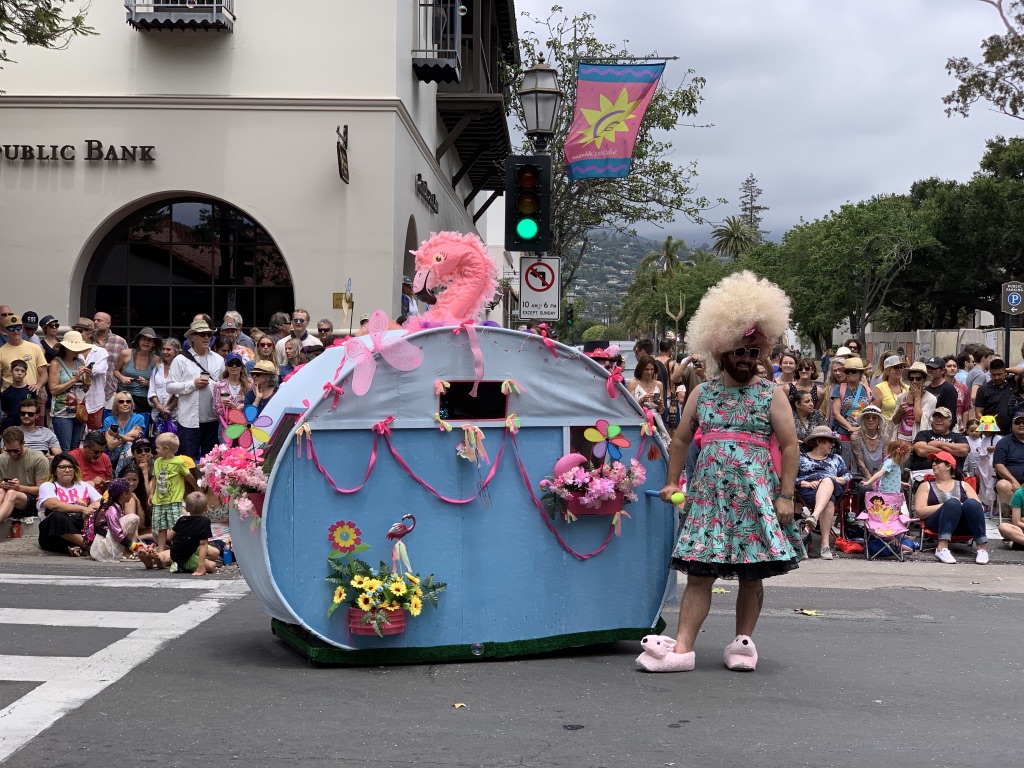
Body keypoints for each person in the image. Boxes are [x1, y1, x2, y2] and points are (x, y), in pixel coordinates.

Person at [649, 271, 799, 674]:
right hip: (708, 500)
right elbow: (680, 440)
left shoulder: (771, 394)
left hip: (756, 499)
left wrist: (786, 496)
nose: (748, 359)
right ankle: (683, 648)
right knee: (699, 574)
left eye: (754, 352)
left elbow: (790, 445)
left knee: (752, 575)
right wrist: (671, 481)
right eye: (740, 351)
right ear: (720, 352)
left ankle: (743, 643)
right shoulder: (703, 393)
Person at [914, 450, 988, 564]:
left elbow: (980, 509)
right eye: (933, 461)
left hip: (963, 526)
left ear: (948, 466)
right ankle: (942, 547)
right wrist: (945, 505)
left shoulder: (963, 485)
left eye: (938, 461)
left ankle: (982, 548)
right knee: (952, 503)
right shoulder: (925, 485)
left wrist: (962, 505)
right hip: (936, 525)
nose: (933, 464)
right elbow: (919, 511)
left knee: (972, 503)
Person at [166, 321, 225, 460]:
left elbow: (223, 385)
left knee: (211, 463)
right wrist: (193, 384)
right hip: (189, 421)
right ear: (192, 337)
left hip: (213, 420)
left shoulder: (219, 359)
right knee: (187, 461)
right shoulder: (180, 360)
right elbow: (170, 387)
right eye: (202, 334)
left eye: (209, 334)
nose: (207, 337)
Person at [795, 426, 850, 560]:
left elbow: (847, 476)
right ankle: (825, 545)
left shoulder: (836, 458)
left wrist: (832, 479)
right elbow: (791, 477)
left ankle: (814, 517)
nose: (833, 445)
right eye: (830, 441)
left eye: (833, 442)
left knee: (827, 480)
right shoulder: (801, 458)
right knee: (829, 501)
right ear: (819, 441)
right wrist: (805, 483)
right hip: (809, 490)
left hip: (832, 487)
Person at [139, 491, 221, 575]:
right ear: (206, 508)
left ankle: (159, 558)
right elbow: (203, 544)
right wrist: (201, 566)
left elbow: (169, 537)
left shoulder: (182, 520)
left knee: (215, 552)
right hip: (184, 557)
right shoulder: (205, 521)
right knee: (212, 565)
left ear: (186, 508)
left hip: (180, 551)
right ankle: (181, 564)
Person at [36, 452, 101, 557]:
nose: (67, 470)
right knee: (56, 515)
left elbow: (101, 501)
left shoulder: (83, 485)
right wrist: (82, 509)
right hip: (53, 534)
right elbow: (53, 505)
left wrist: (91, 507)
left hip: (79, 526)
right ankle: (88, 546)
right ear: (54, 471)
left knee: (97, 513)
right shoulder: (48, 486)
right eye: (62, 467)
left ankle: (76, 546)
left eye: (70, 467)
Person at [148, 431, 196, 552]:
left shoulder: (179, 462)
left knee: (177, 526)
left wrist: (197, 488)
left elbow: (188, 476)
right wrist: (151, 493)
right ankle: (161, 551)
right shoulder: (157, 462)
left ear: (166, 449)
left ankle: (178, 550)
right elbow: (155, 478)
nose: (156, 450)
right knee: (161, 527)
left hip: (174, 500)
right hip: (159, 501)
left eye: (157, 447)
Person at [46, 329, 93, 450]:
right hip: (62, 413)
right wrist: (74, 379)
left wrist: (88, 377)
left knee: (75, 448)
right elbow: (53, 390)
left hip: (79, 410)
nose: (77, 351)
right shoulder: (56, 363)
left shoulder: (80, 362)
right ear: (66, 348)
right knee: (65, 449)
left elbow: (85, 388)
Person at [0, 426, 49, 526]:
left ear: (23, 443)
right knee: (1, 491)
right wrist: (3, 485)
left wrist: (19, 488)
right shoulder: (1, 459)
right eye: (8, 451)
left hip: (32, 501)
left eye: (16, 450)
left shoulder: (38, 459)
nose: (12, 454)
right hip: (7, 499)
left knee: (12, 493)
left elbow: (42, 490)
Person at [88, 477, 144, 563]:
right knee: (133, 518)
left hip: (109, 540)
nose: (132, 494)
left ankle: (126, 550)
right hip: (103, 547)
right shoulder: (112, 509)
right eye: (130, 491)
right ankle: (126, 552)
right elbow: (117, 533)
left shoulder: (117, 506)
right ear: (124, 494)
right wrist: (132, 546)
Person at [830, 356, 873, 467]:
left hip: (863, 433)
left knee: (862, 463)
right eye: (847, 371)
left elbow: (872, 413)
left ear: (860, 373)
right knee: (844, 463)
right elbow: (836, 413)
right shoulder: (839, 389)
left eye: (853, 371)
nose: (849, 374)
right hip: (843, 432)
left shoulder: (867, 390)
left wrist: (861, 428)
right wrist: (850, 428)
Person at [908, 406, 969, 484]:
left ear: (950, 421)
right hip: (924, 474)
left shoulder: (958, 436)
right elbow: (921, 450)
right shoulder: (923, 434)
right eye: (936, 417)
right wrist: (951, 450)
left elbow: (964, 450)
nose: (938, 420)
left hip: (952, 475)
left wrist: (938, 443)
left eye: (942, 417)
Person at [114, 327, 158, 421]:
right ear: (138, 340)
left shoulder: (156, 360)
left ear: (153, 343)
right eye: (144, 339)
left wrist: (147, 383)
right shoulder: (125, 353)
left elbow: (159, 382)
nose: (146, 342)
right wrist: (122, 378)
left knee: (139, 425)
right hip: (124, 395)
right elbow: (115, 371)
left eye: (149, 340)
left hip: (143, 399)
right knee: (122, 423)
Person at [91, 311, 128, 417]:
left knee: (110, 423)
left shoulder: (120, 342)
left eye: (99, 320)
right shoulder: (88, 341)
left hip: (111, 392)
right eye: (94, 320)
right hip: (90, 392)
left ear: (108, 324)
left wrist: (120, 389)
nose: (95, 322)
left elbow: (125, 367)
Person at [1, 314, 48, 394]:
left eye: (18, 328)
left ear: (22, 328)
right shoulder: (1, 351)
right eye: (11, 328)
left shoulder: (35, 348)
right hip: (9, 395)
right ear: (6, 330)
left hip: (30, 393)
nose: (16, 331)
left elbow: (43, 373)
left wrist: (38, 385)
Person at [892, 361, 936, 443]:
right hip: (901, 439)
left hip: (918, 440)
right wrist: (899, 412)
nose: (914, 381)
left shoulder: (931, 399)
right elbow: (894, 421)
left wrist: (917, 398)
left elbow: (919, 419)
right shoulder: (901, 397)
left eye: (918, 378)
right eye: (911, 378)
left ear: (924, 380)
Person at [102, 393, 146, 475]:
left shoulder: (139, 418)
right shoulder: (108, 420)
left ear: (131, 404)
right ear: (116, 405)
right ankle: (120, 476)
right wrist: (128, 435)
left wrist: (118, 436)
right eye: (121, 402)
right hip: (113, 454)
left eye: (128, 402)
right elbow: (110, 446)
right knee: (129, 444)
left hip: (132, 452)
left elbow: (136, 441)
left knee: (129, 445)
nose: (125, 404)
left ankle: (118, 476)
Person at [965, 418, 1000, 515]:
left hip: (991, 466)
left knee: (992, 486)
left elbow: (1002, 447)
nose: (985, 432)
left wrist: (995, 448)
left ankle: (994, 507)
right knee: (983, 486)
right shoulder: (984, 439)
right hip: (983, 466)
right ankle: (986, 505)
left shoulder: (997, 438)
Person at [974, 358, 1017, 435]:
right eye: (993, 375)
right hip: (991, 433)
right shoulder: (983, 389)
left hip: (1012, 432)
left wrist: (1007, 369)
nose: (997, 377)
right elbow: (979, 411)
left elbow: (1022, 371)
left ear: (1005, 372)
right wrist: (984, 430)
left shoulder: (1012, 382)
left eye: (999, 374)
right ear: (990, 373)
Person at [850, 404, 894, 477]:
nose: (871, 420)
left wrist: (878, 479)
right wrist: (871, 481)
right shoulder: (856, 437)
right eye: (867, 417)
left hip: (880, 475)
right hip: (860, 476)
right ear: (863, 420)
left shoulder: (885, 437)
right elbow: (860, 463)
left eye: (874, 417)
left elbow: (885, 460)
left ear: (879, 420)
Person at [213, 352, 251, 434]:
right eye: (231, 363)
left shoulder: (250, 384)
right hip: (226, 427)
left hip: (245, 426)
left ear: (241, 366)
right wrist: (236, 409)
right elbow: (216, 412)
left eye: (237, 363)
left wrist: (233, 407)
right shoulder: (219, 385)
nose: (234, 366)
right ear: (226, 366)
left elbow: (253, 407)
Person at [148, 338, 180, 435]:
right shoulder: (157, 368)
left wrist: (168, 409)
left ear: (176, 351)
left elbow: (180, 391)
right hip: (157, 414)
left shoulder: (181, 368)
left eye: (168, 349)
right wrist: (159, 406)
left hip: (175, 415)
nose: (165, 352)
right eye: (163, 349)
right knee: (157, 441)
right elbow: (152, 389)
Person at [994, 410, 1024, 509]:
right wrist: (1013, 481)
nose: (1021, 424)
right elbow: (998, 465)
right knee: (1003, 485)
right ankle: (1017, 511)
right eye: (1018, 422)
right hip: (1009, 481)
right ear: (1012, 425)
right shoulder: (1003, 442)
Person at [872, 355, 906, 423]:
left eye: (902, 367)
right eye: (896, 367)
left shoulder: (907, 388)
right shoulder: (879, 388)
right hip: (886, 427)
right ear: (887, 370)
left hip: (905, 427)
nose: (899, 370)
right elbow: (875, 414)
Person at [924, 356, 958, 421]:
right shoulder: (926, 389)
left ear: (943, 371)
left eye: (933, 368)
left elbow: (950, 416)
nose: (930, 370)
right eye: (928, 368)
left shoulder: (949, 389)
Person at [1, 359, 33, 429]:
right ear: (11, 372)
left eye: (22, 371)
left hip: (26, 427)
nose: (19, 373)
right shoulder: (6, 393)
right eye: (16, 370)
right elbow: (5, 410)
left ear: (25, 374)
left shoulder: (30, 391)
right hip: (10, 426)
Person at [943, 355, 971, 431]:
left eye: (954, 366)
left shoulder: (963, 388)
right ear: (943, 369)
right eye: (949, 366)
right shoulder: (939, 386)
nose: (952, 368)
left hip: (958, 428)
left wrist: (965, 428)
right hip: (941, 426)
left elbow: (966, 410)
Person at [998, 483, 1024, 549]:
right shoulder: (1019, 494)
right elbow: (1016, 522)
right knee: (1003, 527)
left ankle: (1019, 543)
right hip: (1022, 528)